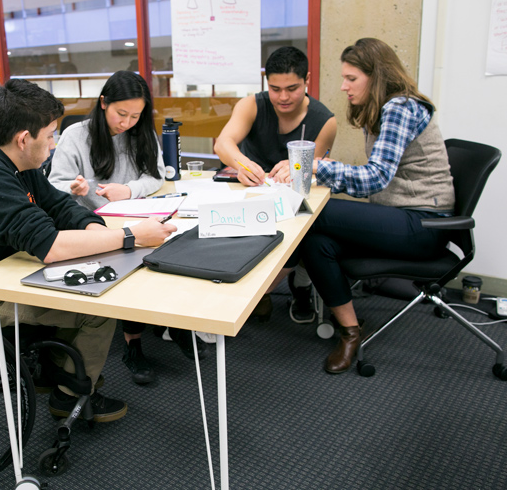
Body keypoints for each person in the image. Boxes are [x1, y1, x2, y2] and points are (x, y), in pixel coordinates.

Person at [0, 78, 175, 422]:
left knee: (88, 285)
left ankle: (56, 371)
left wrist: (97, 230)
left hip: (7, 278)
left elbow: (62, 207)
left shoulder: (17, 164)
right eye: (49, 136)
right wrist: (129, 236)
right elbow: (50, 245)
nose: (53, 144)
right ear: (23, 139)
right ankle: (69, 395)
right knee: (99, 309)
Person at [300, 38, 455, 374]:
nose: (343, 87)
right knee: (314, 240)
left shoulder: (400, 107)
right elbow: (374, 179)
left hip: (424, 225)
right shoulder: (385, 108)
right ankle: (351, 331)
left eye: (351, 79)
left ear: (378, 75)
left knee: (314, 215)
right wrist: (321, 174)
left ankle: (275, 290)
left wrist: (316, 166)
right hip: (400, 218)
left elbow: (376, 178)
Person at [49, 70, 206, 386]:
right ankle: (133, 343)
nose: (127, 123)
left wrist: (129, 190)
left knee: (174, 244)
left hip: (136, 212)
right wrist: (75, 188)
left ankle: (174, 322)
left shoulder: (141, 131)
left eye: (136, 115)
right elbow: (54, 183)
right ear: (104, 102)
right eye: (122, 114)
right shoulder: (76, 136)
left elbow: (157, 176)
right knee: (136, 257)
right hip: (93, 224)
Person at [214, 46, 337, 324]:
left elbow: (313, 171)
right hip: (249, 192)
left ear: (307, 79)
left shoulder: (324, 120)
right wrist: (243, 165)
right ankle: (250, 293)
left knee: (304, 234)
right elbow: (223, 144)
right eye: (275, 88)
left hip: (290, 199)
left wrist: (294, 170)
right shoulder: (252, 104)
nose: (283, 97)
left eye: (292, 88)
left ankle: (297, 286)